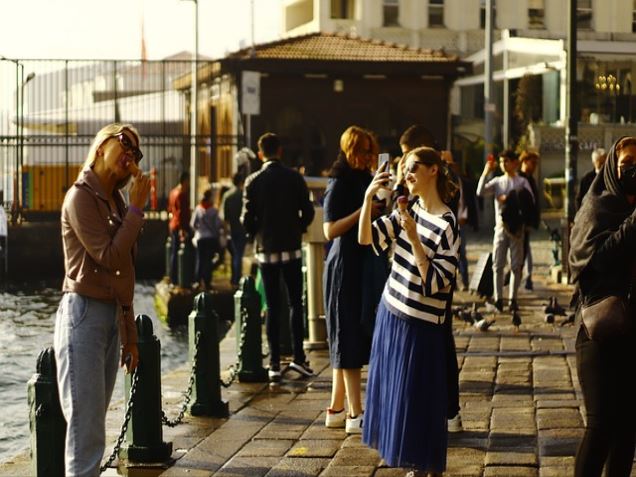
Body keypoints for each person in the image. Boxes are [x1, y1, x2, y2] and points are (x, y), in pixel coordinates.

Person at [54, 123, 150, 476]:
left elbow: (123, 273)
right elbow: (108, 257)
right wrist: (138, 212)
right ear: (100, 146)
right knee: (86, 430)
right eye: (125, 142)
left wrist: (130, 335)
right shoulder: (80, 197)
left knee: (95, 425)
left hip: (109, 317)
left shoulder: (117, 201)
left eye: (136, 152)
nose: (131, 153)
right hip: (82, 315)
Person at [359, 146, 459, 476]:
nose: (408, 173)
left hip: (422, 325)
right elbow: (365, 239)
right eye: (406, 167)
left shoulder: (447, 225)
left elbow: (436, 283)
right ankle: (412, 469)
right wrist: (368, 198)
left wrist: (414, 238)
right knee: (396, 399)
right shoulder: (409, 208)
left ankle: (424, 469)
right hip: (392, 314)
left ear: (434, 170)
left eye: (415, 166)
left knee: (419, 403)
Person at [568, 136, 636, 477]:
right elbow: (599, 263)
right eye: (628, 165)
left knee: (628, 432)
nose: (634, 172)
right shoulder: (597, 208)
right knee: (601, 426)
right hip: (601, 333)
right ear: (612, 168)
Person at [396, 124, 464, 433]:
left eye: (409, 159)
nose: (406, 166)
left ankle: (447, 410)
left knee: (439, 341)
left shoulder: (444, 184)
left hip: (435, 273)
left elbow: (451, 215)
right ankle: (444, 410)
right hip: (411, 273)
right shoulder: (415, 183)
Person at [322, 126, 388, 434]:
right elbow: (330, 229)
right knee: (346, 333)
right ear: (351, 151)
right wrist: (363, 208)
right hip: (344, 265)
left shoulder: (365, 177)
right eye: (363, 152)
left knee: (351, 334)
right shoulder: (339, 181)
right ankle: (354, 412)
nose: (367, 157)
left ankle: (336, 409)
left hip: (363, 263)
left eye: (370, 152)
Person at [241, 132, 315, 382]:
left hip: (267, 248)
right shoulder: (294, 178)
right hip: (292, 246)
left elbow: (246, 219)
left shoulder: (253, 181)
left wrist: (257, 233)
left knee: (272, 306)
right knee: (296, 302)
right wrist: (298, 228)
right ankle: (299, 357)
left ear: (261, 153)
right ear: (280, 151)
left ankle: (273, 362)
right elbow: (308, 211)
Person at [477, 149, 534, 312]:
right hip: (501, 227)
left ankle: (513, 299)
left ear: (515, 162)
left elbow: (530, 200)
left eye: (507, 161)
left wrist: (510, 198)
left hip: (517, 228)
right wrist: (486, 172)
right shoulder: (497, 181)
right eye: (502, 162)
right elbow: (480, 191)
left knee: (516, 265)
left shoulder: (521, 182)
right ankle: (498, 298)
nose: (503, 164)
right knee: (498, 264)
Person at [191, 188, 224, 290]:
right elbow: (218, 224)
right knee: (209, 260)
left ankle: (197, 281)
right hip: (211, 238)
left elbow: (192, 224)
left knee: (199, 260)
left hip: (200, 238)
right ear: (210, 198)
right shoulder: (213, 210)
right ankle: (207, 281)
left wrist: (198, 230)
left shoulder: (198, 209)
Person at [519, 151, 541, 291]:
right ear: (525, 161)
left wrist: (533, 222)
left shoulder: (531, 179)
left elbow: (534, 203)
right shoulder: (519, 179)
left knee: (525, 251)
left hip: (527, 224)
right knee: (518, 254)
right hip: (518, 223)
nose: (534, 166)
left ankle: (527, 278)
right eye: (532, 163)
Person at [222, 172, 247, 287]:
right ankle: (236, 279)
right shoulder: (243, 195)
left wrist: (225, 231)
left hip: (231, 228)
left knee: (234, 254)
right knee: (238, 254)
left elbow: (224, 217)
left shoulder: (227, 195)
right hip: (242, 228)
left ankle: (234, 278)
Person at [167, 171, 191, 285]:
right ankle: (176, 278)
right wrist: (182, 229)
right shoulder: (181, 194)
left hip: (173, 224)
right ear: (185, 180)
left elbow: (170, 209)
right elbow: (181, 213)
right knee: (177, 252)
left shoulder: (173, 192)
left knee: (173, 251)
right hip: (179, 226)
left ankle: (172, 277)